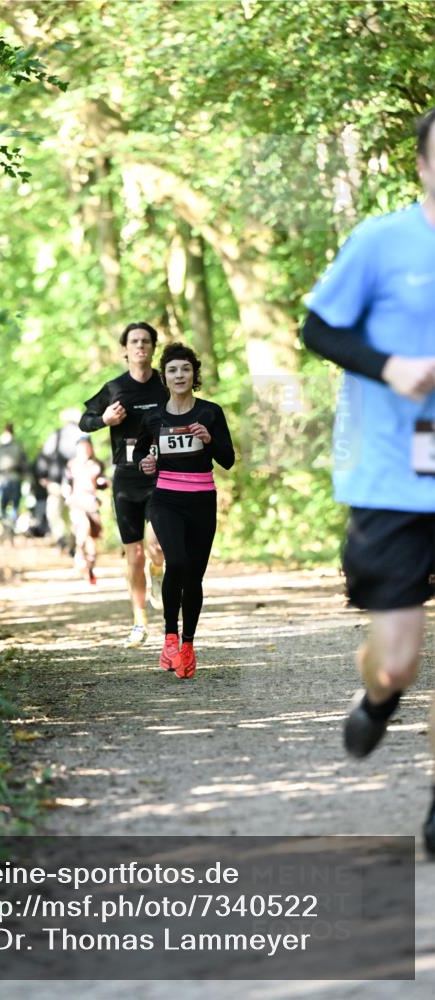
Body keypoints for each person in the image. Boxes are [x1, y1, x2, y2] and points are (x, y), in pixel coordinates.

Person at [301, 106, 435, 855]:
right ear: (420, 165)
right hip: (392, 478)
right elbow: (317, 328)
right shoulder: (380, 243)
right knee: (398, 658)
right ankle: (377, 695)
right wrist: (389, 367)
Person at [134, 343, 234, 678]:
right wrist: (147, 462)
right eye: (173, 370)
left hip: (202, 499)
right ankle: (169, 637)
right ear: (165, 377)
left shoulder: (210, 412)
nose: (179, 375)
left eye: (185, 369)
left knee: (194, 575)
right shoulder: (154, 416)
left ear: (194, 374)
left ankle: (188, 645)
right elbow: (139, 454)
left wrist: (209, 439)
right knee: (176, 562)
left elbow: (228, 459)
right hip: (166, 500)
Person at [80, 322, 167, 648]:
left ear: (154, 347)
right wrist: (105, 420)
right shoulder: (114, 388)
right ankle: (139, 622)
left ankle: (158, 573)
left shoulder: (166, 383)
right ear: (125, 349)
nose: (140, 346)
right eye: (134, 341)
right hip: (127, 477)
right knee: (134, 555)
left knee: (156, 545)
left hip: (162, 474)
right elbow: (85, 421)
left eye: (146, 341)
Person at [63, 435, 108, 584]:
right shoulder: (71, 465)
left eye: (87, 446)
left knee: (93, 538)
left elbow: (103, 483)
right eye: (82, 447)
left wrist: (103, 482)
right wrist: (67, 495)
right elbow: (66, 483)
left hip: (92, 503)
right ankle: (79, 551)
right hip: (77, 502)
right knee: (84, 528)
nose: (85, 450)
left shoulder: (97, 464)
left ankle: (90, 567)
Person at [34, 410, 81, 551]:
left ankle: (62, 538)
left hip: (56, 480)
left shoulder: (57, 435)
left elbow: (44, 456)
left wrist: (42, 474)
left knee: (54, 512)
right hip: (76, 481)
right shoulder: (83, 436)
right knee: (74, 513)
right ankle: (73, 543)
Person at [0, 423, 28, 528]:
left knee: (3, 505)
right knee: (14, 505)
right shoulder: (17, 446)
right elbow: (24, 464)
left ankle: (6, 526)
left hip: (2, 479)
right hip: (14, 478)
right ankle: (11, 526)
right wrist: (26, 478)